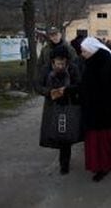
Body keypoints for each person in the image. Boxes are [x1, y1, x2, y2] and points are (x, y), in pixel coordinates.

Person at [80, 37, 111, 182]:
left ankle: (106, 166)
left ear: (92, 50)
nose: (82, 54)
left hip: (108, 112)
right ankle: (101, 165)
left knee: (106, 142)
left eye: (84, 51)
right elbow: (85, 86)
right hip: (93, 112)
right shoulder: (91, 63)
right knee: (95, 143)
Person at [36, 45, 81, 175]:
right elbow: (38, 85)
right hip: (52, 106)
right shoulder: (46, 69)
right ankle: (62, 156)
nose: (60, 65)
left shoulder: (73, 68)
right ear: (52, 61)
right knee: (54, 132)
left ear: (67, 60)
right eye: (58, 62)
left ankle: (64, 163)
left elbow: (78, 84)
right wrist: (49, 92)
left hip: (68, 105)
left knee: (65, 135)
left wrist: (67, 90)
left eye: (63, 62)